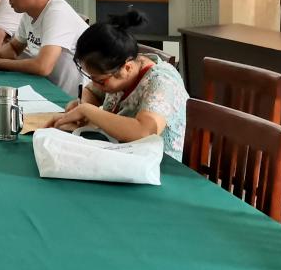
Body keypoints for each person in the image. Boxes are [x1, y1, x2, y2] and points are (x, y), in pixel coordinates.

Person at [47, 11, 188, 159]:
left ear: (127, 68)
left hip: (158, 163)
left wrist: (87, 110)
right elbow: (92, 92)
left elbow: (145, 131)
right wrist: (82, 108)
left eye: (99, 81)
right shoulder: (118, 66)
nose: (95, 84)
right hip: (123, 152)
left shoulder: (162, 82)